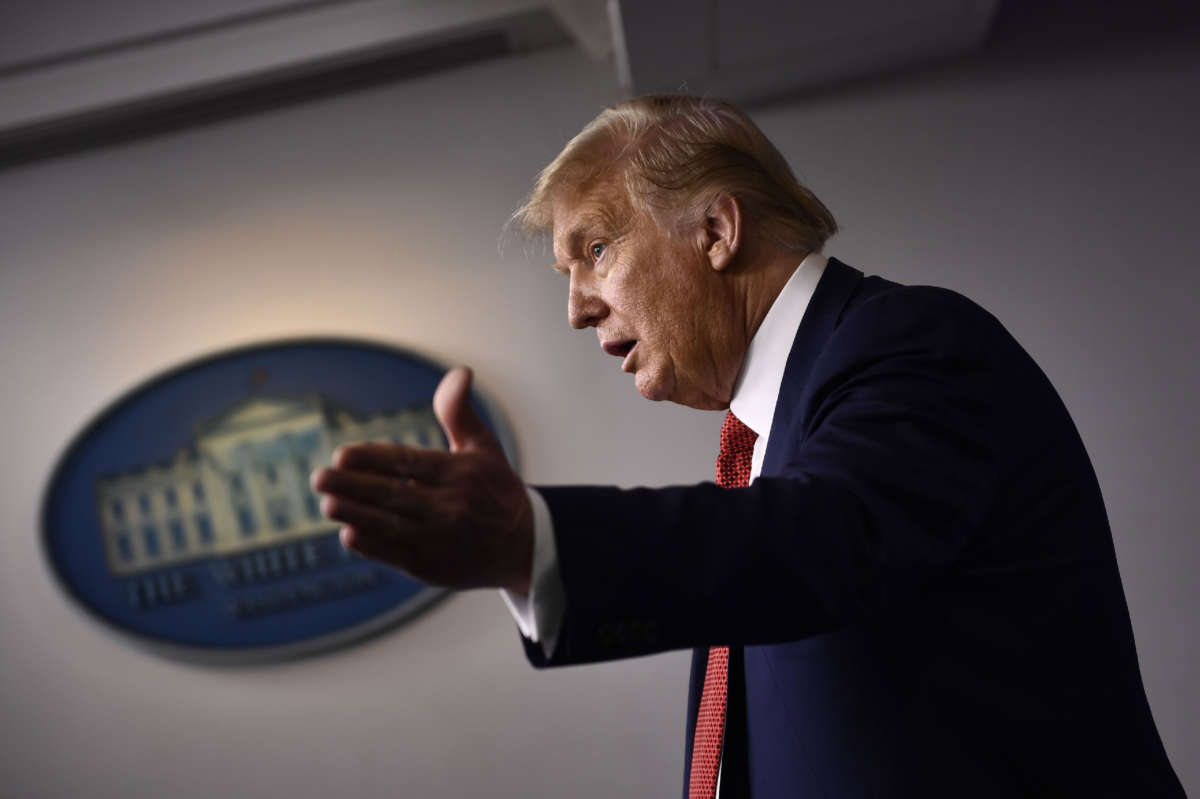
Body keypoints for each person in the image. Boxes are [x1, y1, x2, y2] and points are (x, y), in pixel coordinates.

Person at [311, 95, 1184, 797]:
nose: (576, 307)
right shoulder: (768, 438)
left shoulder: (909, 343)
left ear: (718, 232)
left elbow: (821, 541)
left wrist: (534, 540)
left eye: (598, 249)